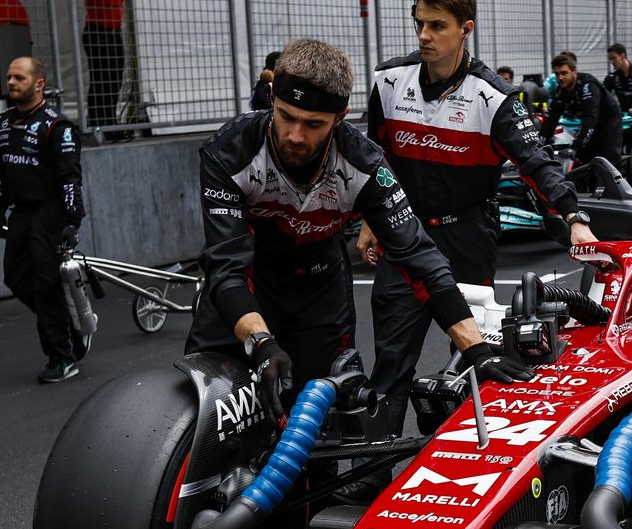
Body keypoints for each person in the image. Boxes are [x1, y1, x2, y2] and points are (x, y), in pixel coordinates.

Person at [192, 38, 527, 417]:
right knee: (204, 412)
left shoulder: (364, 164)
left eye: (314, 124)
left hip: (317, 292)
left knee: (318, 422)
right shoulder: (229, 151)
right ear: (272, 98)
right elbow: (227, 266)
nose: (296, 135)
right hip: (246, 284)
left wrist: (477, 351)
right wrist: (261, 342)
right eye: (286, 116)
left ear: (341, 117)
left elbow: (419, 258)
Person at [364, 0, 593, 432]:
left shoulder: (495, 96)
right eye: (419, 23)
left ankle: (472, 456)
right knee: (390, 364)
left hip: (466, 238)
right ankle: (373, 464)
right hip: (404, 235)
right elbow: (373, 156)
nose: (424, 35)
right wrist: (371, 219)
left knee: (476, 362)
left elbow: (537, 160)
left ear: (466, 29)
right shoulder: (388, 80)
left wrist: (573, 216)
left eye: (437, 26)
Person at [0, 56, 87, 384]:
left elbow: (70, 178)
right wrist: (0, 204)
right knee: (15, 277)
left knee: (45, 286)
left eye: (19, 77)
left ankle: (63, 357)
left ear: (39, 84)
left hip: (50, 213)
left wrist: (72, 221)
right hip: (20, 214)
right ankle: (68, 326)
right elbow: (0, 168)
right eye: (9, 77)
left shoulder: (57, 127)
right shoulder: (2, 122)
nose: (11, 82)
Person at [82, 0, 143, 133]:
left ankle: (109, 123)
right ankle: (98, 125)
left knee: (114, 79)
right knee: (101, 79)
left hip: (113, 31)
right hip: (97, 31)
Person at [543, 50, 622, 170]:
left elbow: (590, 118)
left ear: (574, 72)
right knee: (585, 164)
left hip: (609, 124)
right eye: (557, 74)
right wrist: (539, 145)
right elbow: (550, 121)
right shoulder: (560, 92)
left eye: (564, 73)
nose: (560, 78)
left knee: (606, 165)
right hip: (591, 127)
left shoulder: (588, 85)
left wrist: (575, 147)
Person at [604, 43, 632, 136]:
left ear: (622, 56)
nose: (612, 62)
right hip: (624, 117)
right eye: (610, 59)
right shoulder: (612, 77)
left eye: (614, 58)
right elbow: (602, 93)